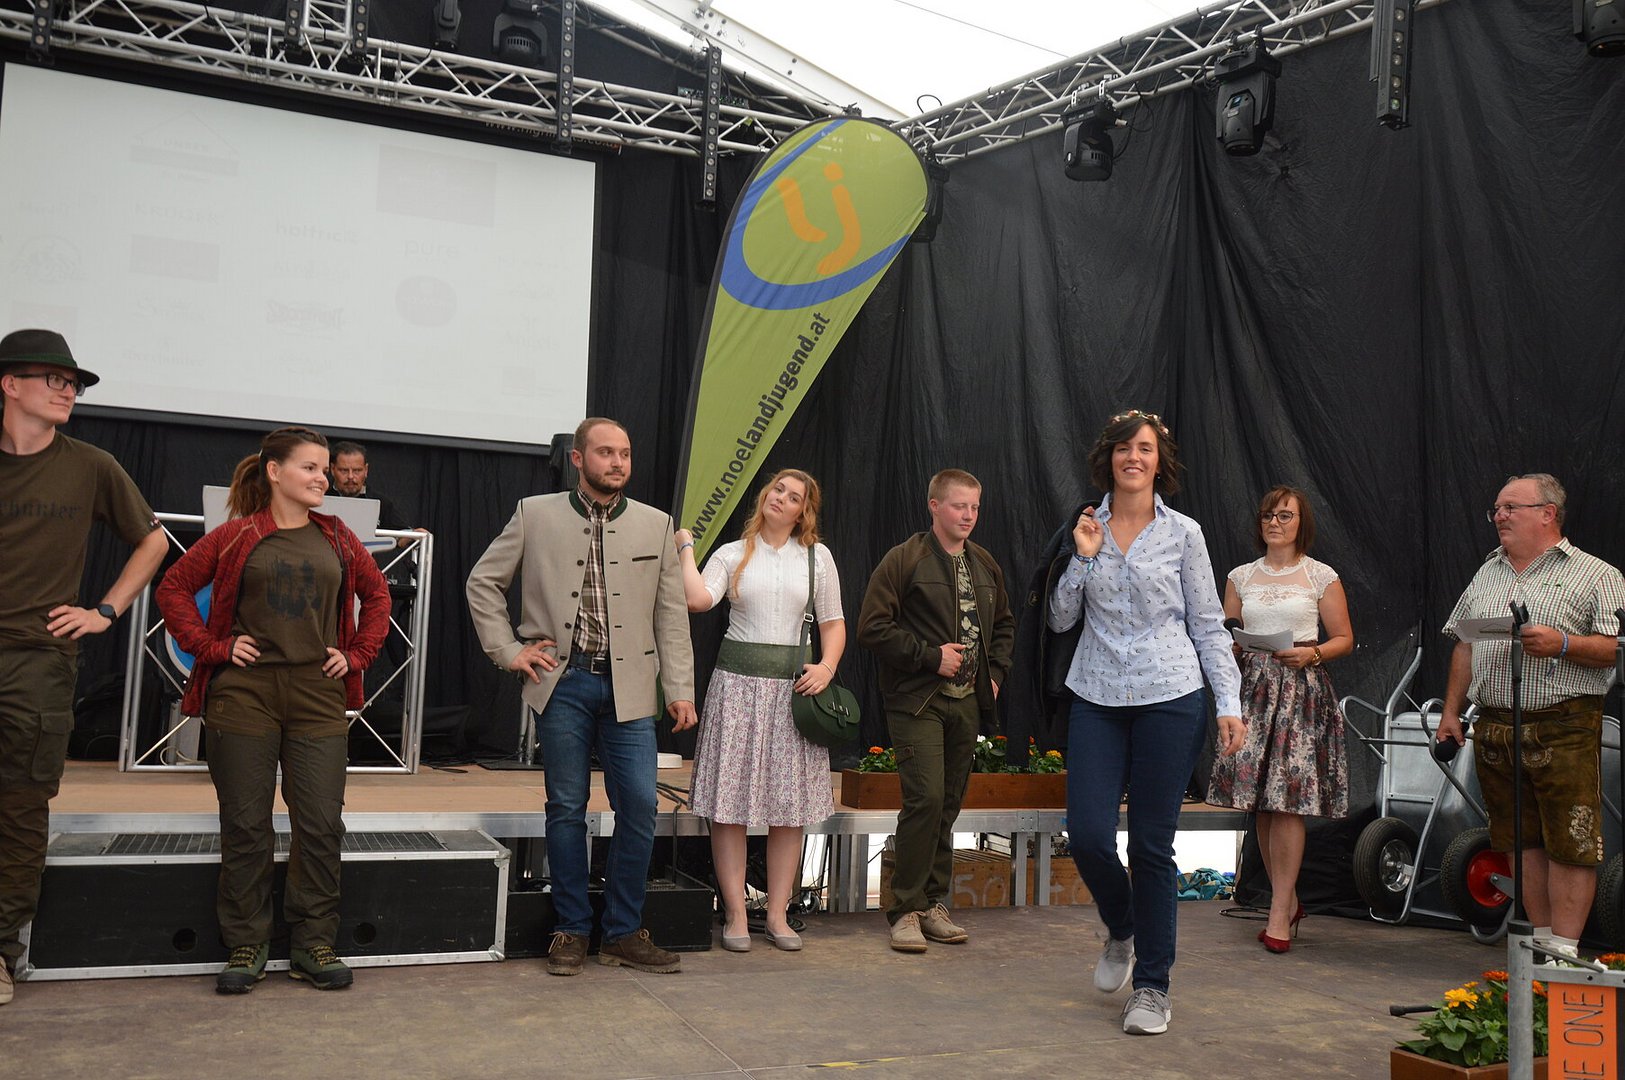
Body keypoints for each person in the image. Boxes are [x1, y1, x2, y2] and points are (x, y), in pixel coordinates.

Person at [156, 426, 390, 994]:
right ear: (274, 472)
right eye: (310, 467)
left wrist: (358, 654)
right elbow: (173, 589)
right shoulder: (236, 535)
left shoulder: (338, 537)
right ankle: (247, 941)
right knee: (245, 824)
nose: (322, 478)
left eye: (325, 469)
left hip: (317, 695)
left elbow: (378, 595)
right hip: (244, 695)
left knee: (320, 823)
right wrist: (211, 647)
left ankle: (314, 941)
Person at [466, 417, 696, 976]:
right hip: (562, 683)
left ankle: (622, 932)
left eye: (625, 453)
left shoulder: (656, 524)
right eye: (605, 452)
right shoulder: (535, 513)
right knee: (566, 807)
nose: (617, 462)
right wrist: (508, 651)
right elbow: (483, 582)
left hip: (632, 687)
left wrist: (680, 689)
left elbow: (670, 615)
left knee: (639, 805)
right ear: (577, 458)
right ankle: (571, 928)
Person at [1046, 410, 1244, 1036]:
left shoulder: (1184, 533)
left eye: (1146, 448)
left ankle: (1153, 987)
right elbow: (1058, 619)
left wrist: (1229, 702)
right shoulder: (1086, 527)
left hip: (1171, 695)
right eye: (1124, 448)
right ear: (1108, 459)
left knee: (1151, 847)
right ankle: (1123, 926)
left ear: (1161, 462)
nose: (1134, 457)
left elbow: (1208, 624)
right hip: (1097, 694)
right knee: (1087, 835)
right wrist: (1082, 559)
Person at [0, 329, 167, 1006]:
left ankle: (0, 950)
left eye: (73, 383)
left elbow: (153, 541)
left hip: (38, 660)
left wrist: (104, 610)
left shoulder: (91, 465)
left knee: (19, 805)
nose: (67, 391)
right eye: (54, 379)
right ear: (10, 384)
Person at [1435, 473, 1624, 960]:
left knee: (1571, 837)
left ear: (1547, 513)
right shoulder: (1488, 572)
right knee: (1518, 840)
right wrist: (1451, 712)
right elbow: (1465, 643)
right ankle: (1541, 942)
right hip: (1495, 723)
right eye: (1496, 509)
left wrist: (1562, 643)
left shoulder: (1596, 574)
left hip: (1564, 723)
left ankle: (1566, 950)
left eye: (1510, 508)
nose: (1499, 517)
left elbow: (1614, 648)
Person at [673, 470, 843, 953]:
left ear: (803, 511)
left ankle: (777, 915)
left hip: (793, 693)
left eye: (793, 496)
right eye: (777, 490)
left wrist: (827, 667)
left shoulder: (817, 558)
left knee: (789, 810)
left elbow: (834, 623)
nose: (781, 498)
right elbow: (697, 599)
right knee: (729, 807)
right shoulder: (732, 553)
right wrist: (685, 547)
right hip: (737, 689)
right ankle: (734, 914)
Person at [857, 468, 1014, 954]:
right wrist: (931, 657)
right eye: (958, 505)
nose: (968, 515)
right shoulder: (905, 558)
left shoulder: (984, 563)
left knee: (947, 803)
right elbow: (872, 627)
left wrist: (994, 675)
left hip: (967, 704)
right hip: (917, 700)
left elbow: (1005, 625)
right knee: (924, 798)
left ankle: (931, 905)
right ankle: (904, 910)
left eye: (974, 507)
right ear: (934, 506)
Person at [1205, 486, 1354, 953]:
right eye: (1268, 515)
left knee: (1287, 800)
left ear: (1301, 522)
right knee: (1263, 803)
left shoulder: (1320, 575)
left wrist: (1312, 653)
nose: (1274, 522)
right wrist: (1233, 645)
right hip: (1252, 689)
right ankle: (1284, 901)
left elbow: (1344, 638)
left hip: (1299, 691)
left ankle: (1278, 911)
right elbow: (1225, 631)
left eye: (1285, 515)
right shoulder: (1240, 576)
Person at [327, 440, 403, 530]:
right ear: (332, 469)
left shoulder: (382, 504)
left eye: (357, 471)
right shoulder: (320, 500)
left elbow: (402, 534)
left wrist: (412, 534)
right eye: (344, 470)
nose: (350, 476)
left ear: (366, 470)